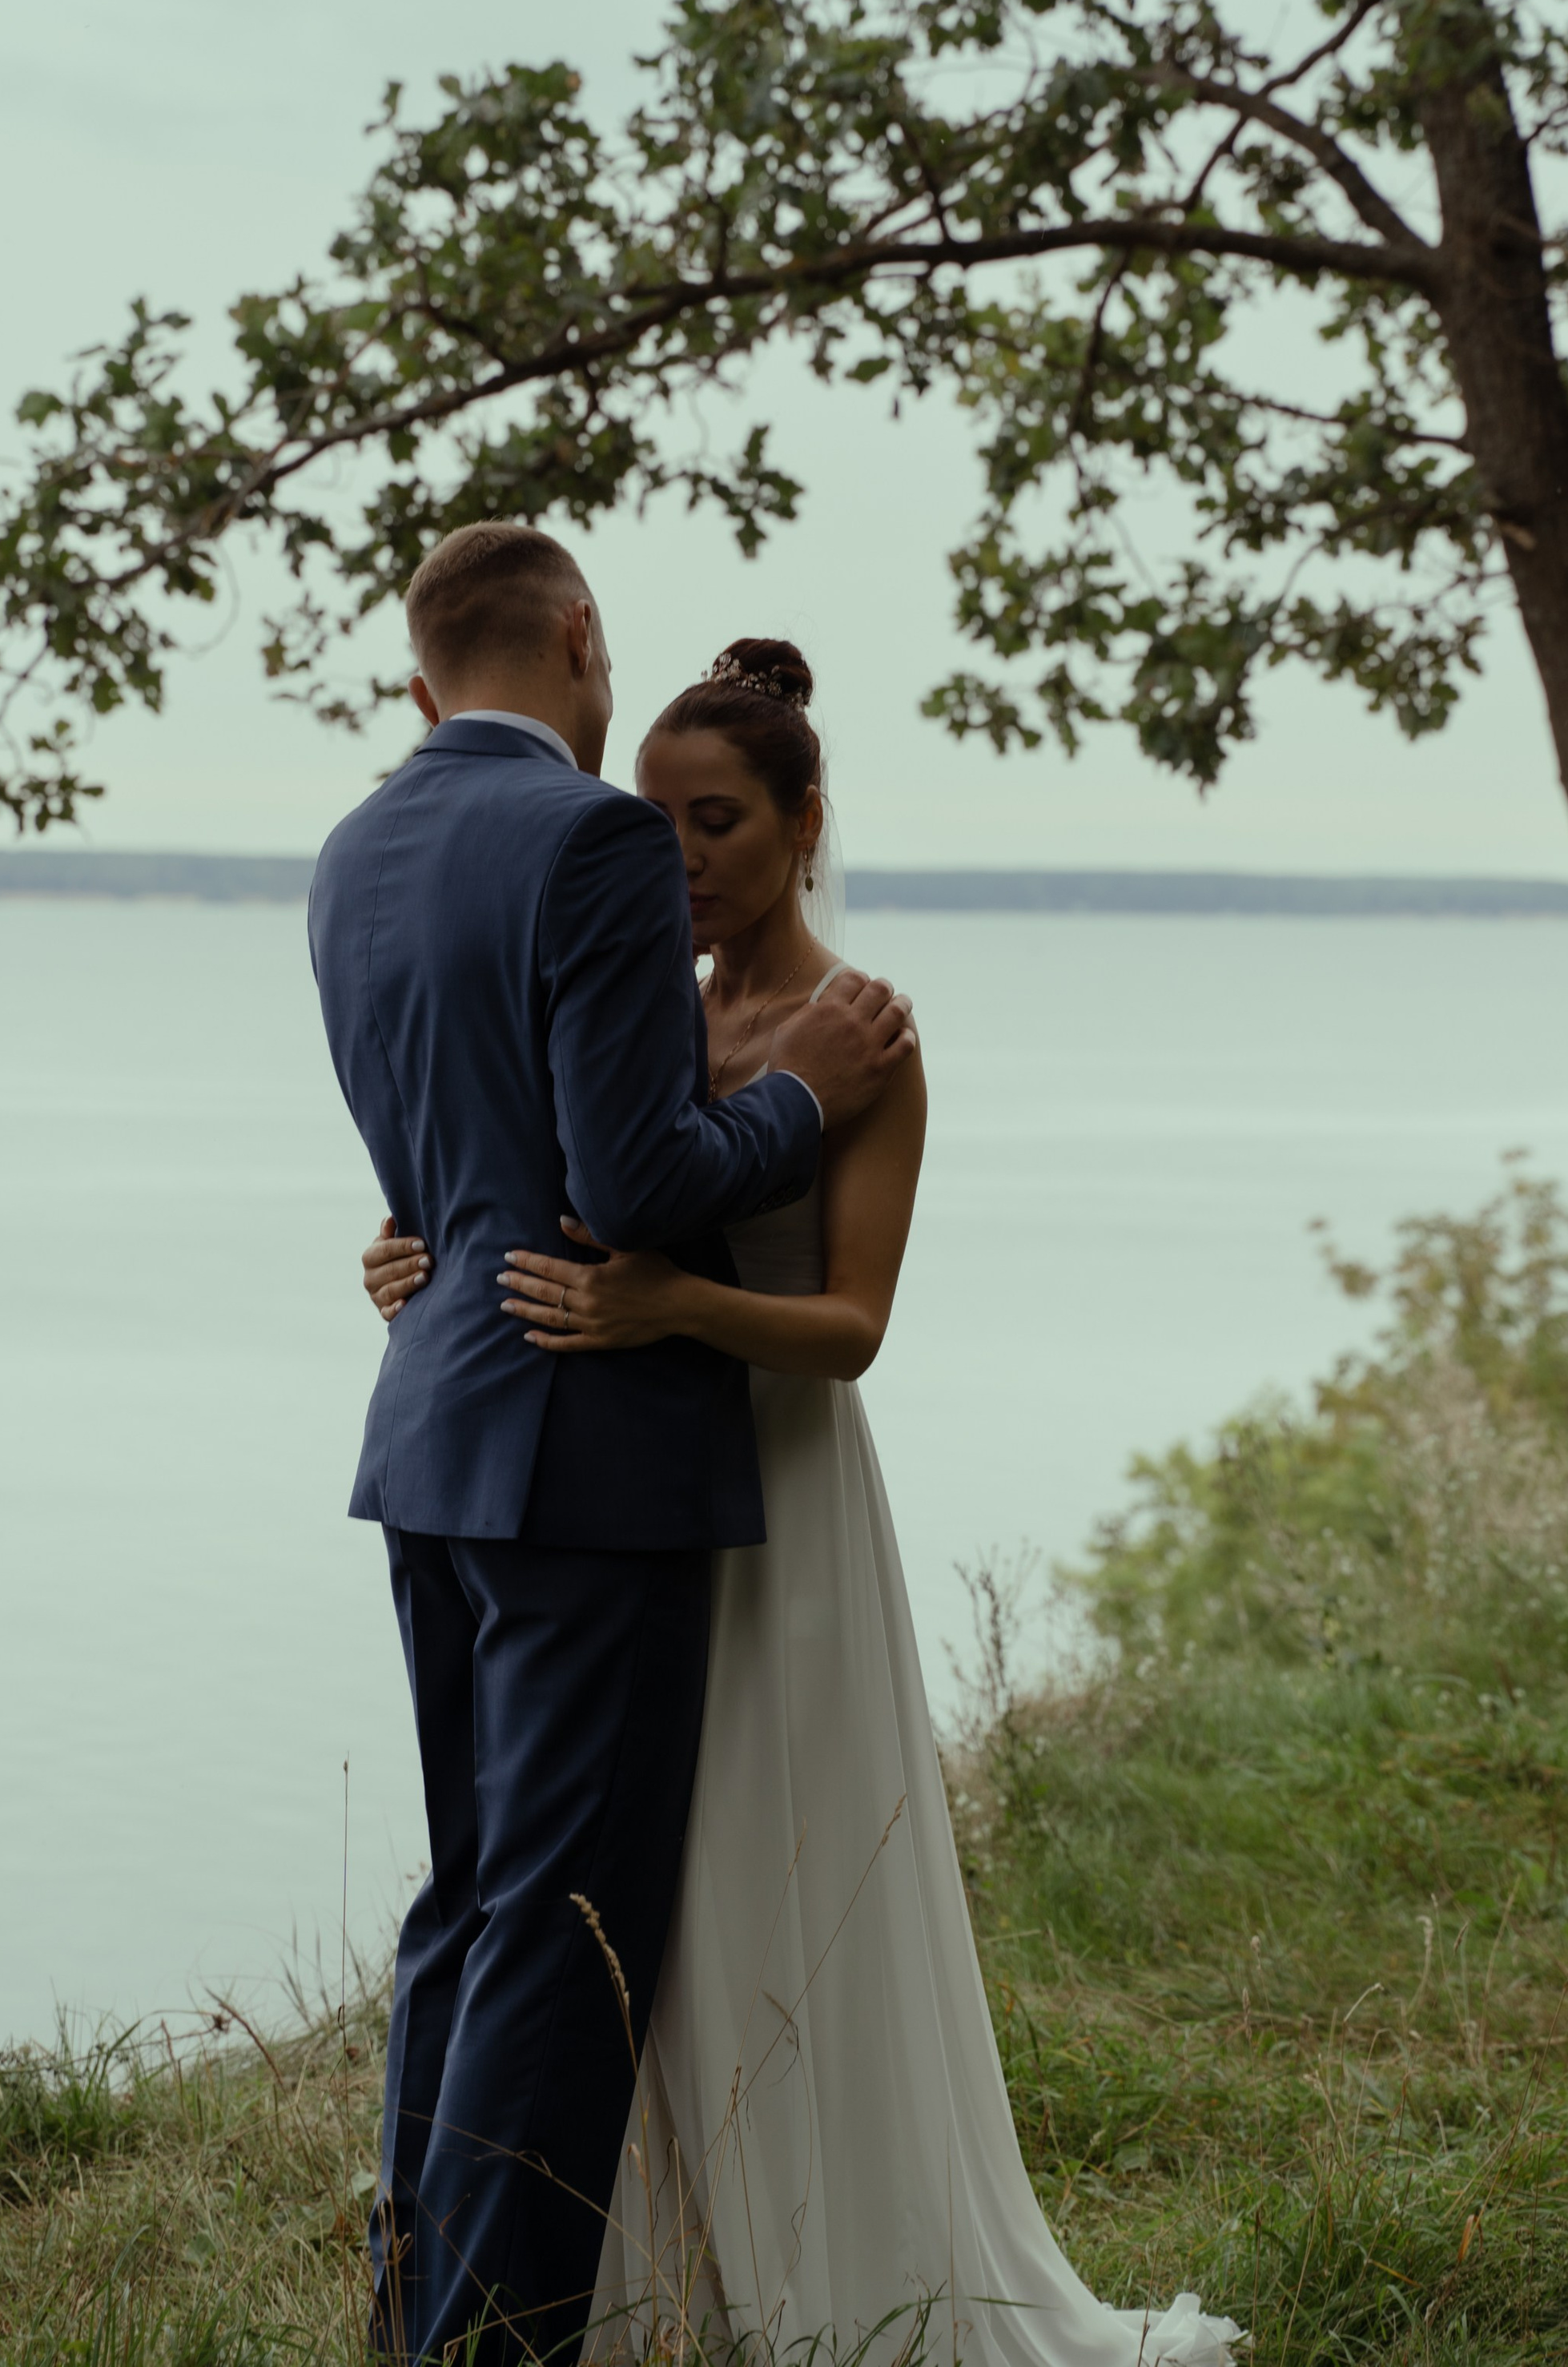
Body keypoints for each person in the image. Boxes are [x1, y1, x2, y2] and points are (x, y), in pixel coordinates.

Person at [361, 636, 1241, 2367]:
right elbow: (530, 1205)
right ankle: (642, 2276)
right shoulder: (637, 1012)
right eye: (659, 823)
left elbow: (848, 1330)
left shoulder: (866, 1040)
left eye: (719, 825)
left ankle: (830, 2272)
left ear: (802, 826)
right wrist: (425, 1257)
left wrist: (676, 1305)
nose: (681, 857)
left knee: (781, 1884)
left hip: (784, 1500)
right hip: (626, 1493)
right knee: (637, 1904)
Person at [308, 527, 917, 2367]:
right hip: (585, 1456)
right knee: (565, 1938)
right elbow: (630, 1184)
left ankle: (417, 2313)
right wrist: (809, 1083)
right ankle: (495, 2346)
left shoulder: (352, 848)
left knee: (465, 1902)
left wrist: (423, 1245)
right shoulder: (584, 836)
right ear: (580, 633)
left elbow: (447, 1148)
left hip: (433, 1433)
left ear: (422, 677)